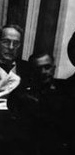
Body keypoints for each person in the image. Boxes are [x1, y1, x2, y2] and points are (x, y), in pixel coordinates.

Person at [0, 24, 36, 155]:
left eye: (15, 43)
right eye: (6, 42)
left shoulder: (28, 69)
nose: (11, 47)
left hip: (19, 139)